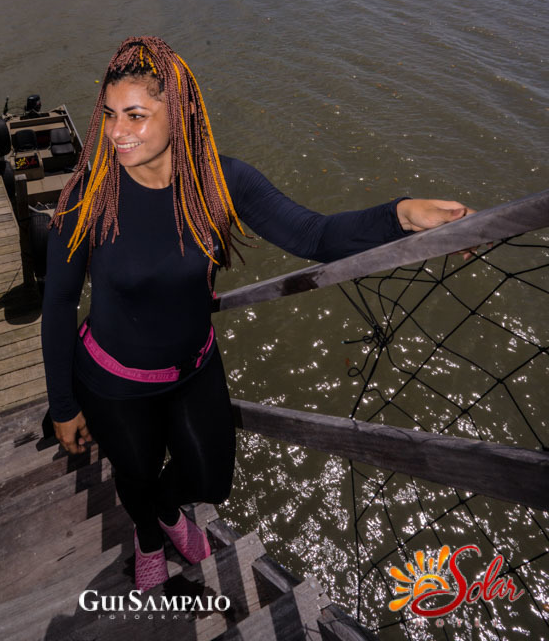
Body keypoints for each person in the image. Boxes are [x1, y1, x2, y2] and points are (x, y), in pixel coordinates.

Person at [40, 36, 469, 591]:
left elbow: (314, 235)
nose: (117, 132)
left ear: (179, 114)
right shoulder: (88, 196)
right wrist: (63, 404)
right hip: (113, 382)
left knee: (210, 479)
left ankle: (169, 511)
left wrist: (402, 215)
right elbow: (58, 304)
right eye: (109, 115)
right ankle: (147, 536)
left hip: (193, 369)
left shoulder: (221, 182)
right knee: (136, 473)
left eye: (136, 116)